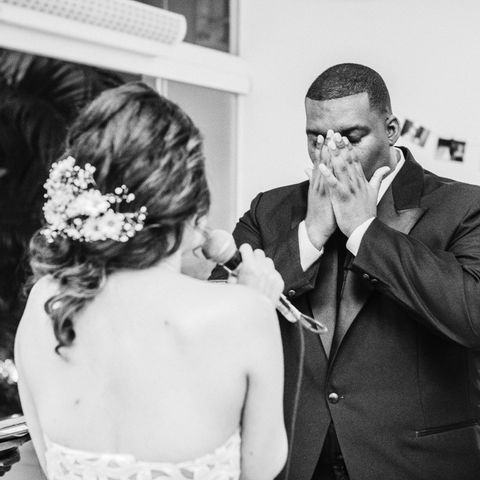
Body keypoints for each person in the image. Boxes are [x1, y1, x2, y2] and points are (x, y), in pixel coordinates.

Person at [211, 63, 480, 480]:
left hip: (416, 462)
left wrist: (365, 231)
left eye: (351, 137)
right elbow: (218, 317)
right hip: (296, 458)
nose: (331, 152)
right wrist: (310, 236)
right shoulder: (271, 210)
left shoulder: (468, 207)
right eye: (315, 138)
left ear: (391, 129)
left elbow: (479, 315)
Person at [14, 82, 288, 480]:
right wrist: (258, 303)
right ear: (188, 199)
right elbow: (261, 471)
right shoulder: (243, 316)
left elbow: (45, 456)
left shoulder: (44, 304)